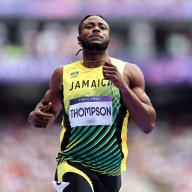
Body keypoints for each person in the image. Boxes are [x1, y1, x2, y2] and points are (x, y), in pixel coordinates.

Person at [28, 15, 156, 192]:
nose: (96, 29)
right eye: (90, 26)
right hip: (71, 164)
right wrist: (35, 117)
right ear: (79, 39)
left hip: (110, 172)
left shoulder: (128, 72)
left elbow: (147, 124)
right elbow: (44, 115)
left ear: (109, 38)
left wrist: (123, 87)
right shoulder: (62, 74)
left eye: (102, 27)